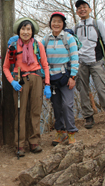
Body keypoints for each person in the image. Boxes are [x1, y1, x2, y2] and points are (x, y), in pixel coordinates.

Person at [3, 17, 51, 156]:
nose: (25, 32)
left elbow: (45, 65)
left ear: (32, 31)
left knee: (35, 111)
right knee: (20, 112)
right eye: (23, 29)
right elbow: (6, 67)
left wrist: (47, 84)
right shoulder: (13, 46)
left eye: (28, 29)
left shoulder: (38, 45)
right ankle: (20, 144)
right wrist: (12, 81)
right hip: (20, 80)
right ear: (19, 31)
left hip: (36, 78)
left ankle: (34, 142)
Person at [74, 0, 105, 130]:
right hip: (81, 63)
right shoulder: (76, 27)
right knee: (83, 91)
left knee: (102, 89)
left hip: (96, 62)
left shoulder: (97, 24)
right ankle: (88, 117)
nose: (82, 10)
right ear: (77, 12)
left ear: (90, 9)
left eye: (84, 7)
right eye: (79, 8)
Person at [42, 12, 79, 146]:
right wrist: (44, 78)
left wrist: (73, 76)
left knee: (67, 105)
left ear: (63, 24)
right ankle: (60, 132)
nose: (56, 24)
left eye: (59, 21)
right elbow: (41, 58)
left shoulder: (69, 38)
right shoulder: (45, 39)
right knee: (56, 106)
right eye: (54, 21)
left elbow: (75, 58)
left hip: (66, 76)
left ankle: (71, 133)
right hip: (51, 78)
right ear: (50, 23)